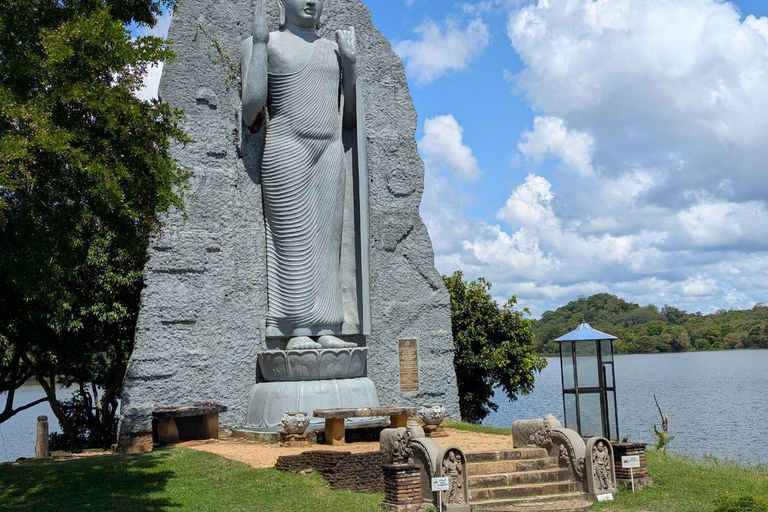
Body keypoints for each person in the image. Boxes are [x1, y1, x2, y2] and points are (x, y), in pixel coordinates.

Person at [241, 0, 361, 350]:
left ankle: (326, 326)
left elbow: (350, 119)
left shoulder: (332, 51)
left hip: (329, 151)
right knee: (293, 241)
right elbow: (252, 111)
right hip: (287, 148)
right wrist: (261, 43)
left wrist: (350, 67)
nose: (311, 2)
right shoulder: (264, 43)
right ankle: (295, 328)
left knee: (327, 245)